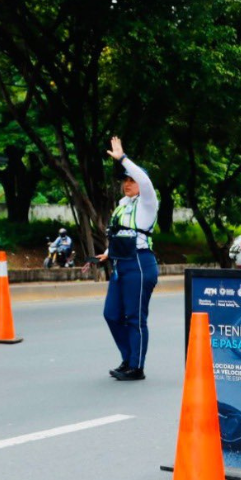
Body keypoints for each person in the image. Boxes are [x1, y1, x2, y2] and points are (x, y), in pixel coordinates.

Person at [96, 136, 159, 381]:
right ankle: (127, 358)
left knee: (135, 317)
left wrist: (122, 158)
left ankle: (136, 366)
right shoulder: (122, 205)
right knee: (111, 314)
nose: (128, 183)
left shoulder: (148, 202)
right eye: (125, 180)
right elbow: (121, 234)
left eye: (132, 180)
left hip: (140, 264)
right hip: (121, 264)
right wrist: (108, 253)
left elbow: (144, 180)